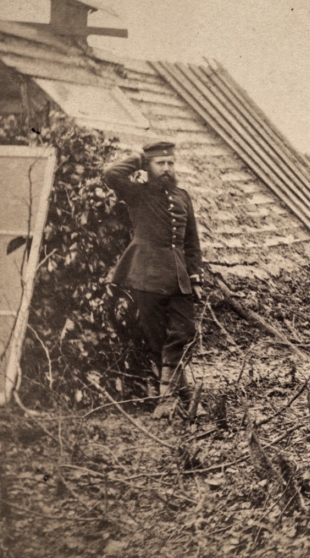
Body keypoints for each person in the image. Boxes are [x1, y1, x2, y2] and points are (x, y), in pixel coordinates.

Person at [104, 141, 204, 417]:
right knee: (157, 339)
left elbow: (192, 241)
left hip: (178, 276)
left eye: (171, 163)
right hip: (146, 275)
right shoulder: (136, 194)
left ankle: (168, 398)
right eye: (160, 163)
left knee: (184, 332)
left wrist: (195, 276)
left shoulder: (183, 197)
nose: (167, 168)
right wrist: (137, 157)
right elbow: (111, 174)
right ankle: (176, 398)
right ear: (148, 167)